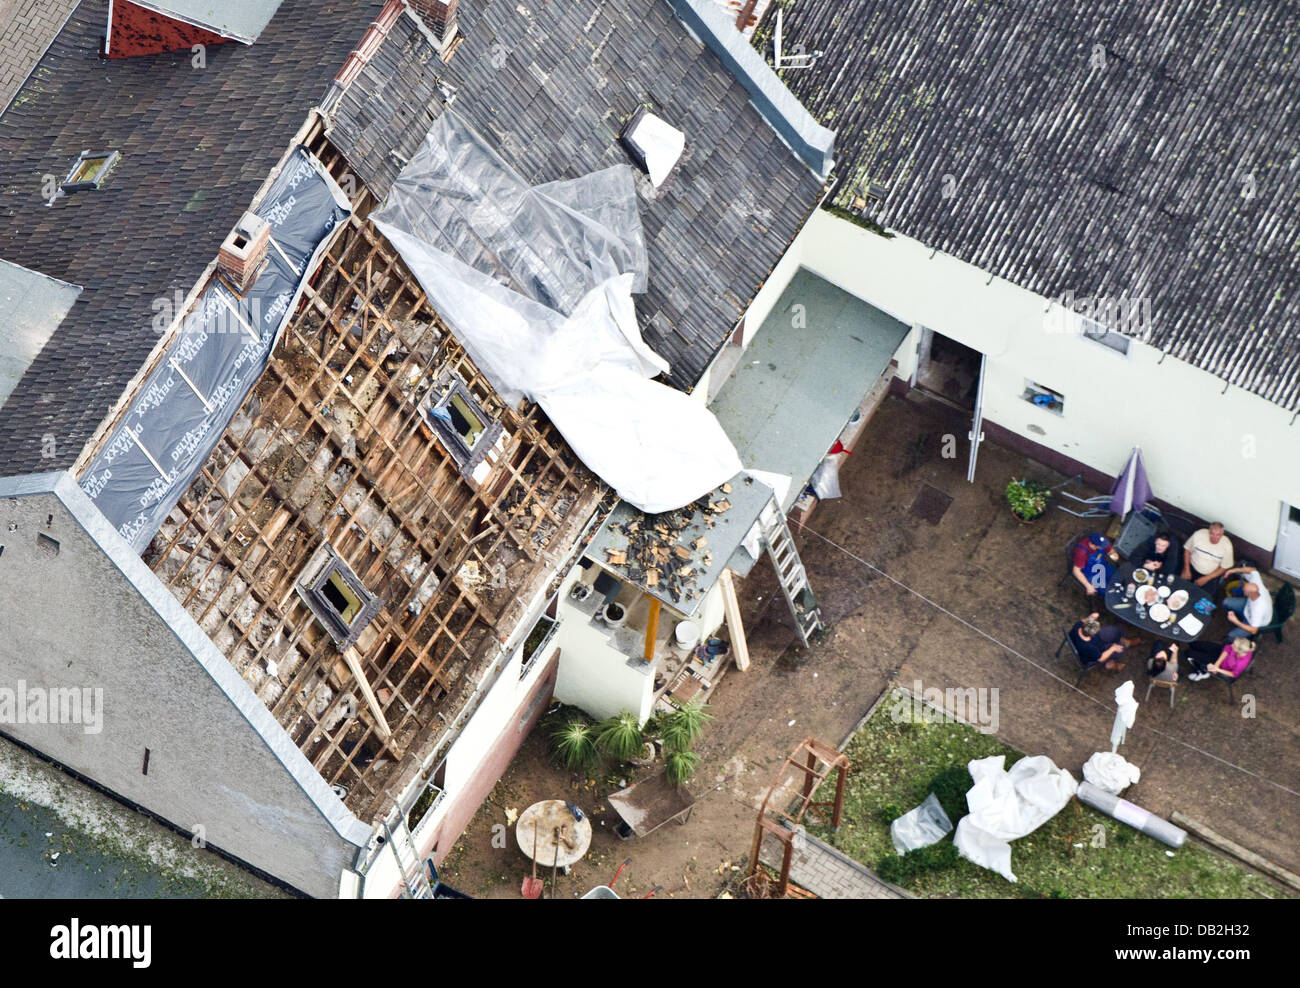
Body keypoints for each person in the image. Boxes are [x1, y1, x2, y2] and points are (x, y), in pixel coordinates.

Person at [1219, 566, 1273, 639]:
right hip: (1247, 606)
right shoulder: (1256, 585)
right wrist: (1232, 571)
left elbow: (1254, 630)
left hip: (1252, 623)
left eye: (1244, 590)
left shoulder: (1258, 609)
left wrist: (1235, 621)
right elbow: (1253, 570)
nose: (1242, 590)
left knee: (1231, 636)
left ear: (1250, 594)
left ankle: (1229, 638)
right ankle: (1231, 617)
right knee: (1226, 602)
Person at [1181, 522, 1234, 589]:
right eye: (1212, 534)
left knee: (1203, 596)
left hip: (1210, 575)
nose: (1214, 537)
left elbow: (1224, 567)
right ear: (1209, 531)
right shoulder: (1199, 534)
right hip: (1191, 567)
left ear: (1222, 534)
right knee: (1181, 586)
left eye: (1218, 535)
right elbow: (1187, 549)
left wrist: (1206, 578)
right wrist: (1186, 569)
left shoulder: (1227, 545)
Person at [1071, 532, 1119, 597]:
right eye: (1101, 547)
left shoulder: (1102, 542)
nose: (1104, 547)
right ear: (1092, 544)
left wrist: (1113, 554)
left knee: (1119, 577)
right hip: (1092, 574)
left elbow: (1111, 550)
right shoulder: (1081, 552)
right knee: (1109, 593)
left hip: (1103, 566)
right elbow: (1076, 571)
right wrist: (1088, 585)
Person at [1186, 638, 1254, 681]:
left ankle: (1202, 673)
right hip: (1220, 653)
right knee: (1193, 643)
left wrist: (1218, 669)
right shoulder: (1243, 646)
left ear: (1239, 651)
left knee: (1188, 653)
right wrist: (1217, 664)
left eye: (1234, 646)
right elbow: (1228, 648)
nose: (1232, 644)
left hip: (1222, 666)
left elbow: (1233, 674)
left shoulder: (1241, 663)